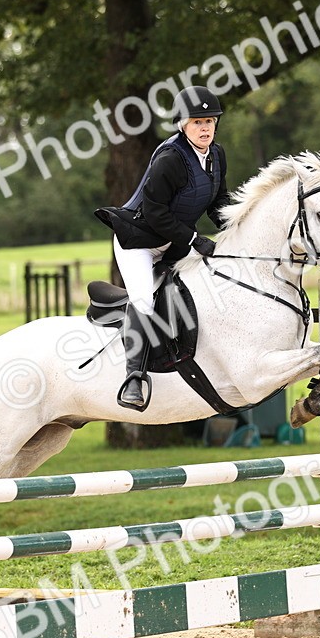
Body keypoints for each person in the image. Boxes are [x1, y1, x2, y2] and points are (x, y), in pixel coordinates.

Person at [95, 85, 232, 411]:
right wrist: (194, 239)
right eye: (197, 122)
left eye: (210, 121)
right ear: (183, 125)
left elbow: (218, 202)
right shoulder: (171, 159)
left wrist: (236, 227)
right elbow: (156, 213)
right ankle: (133, 377)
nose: (205, 128)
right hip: (140, 242)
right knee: (144, 299)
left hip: (173, 241)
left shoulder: (216, 155)